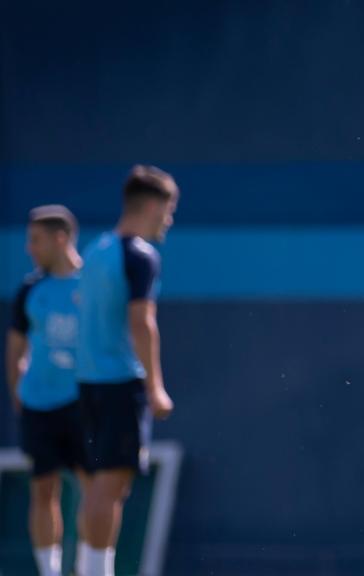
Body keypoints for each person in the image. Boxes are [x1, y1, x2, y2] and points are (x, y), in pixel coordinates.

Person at [76, 165, 178, 576]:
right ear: (152, 205)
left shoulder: (95, 250)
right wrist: (155, 387)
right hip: (120, 384)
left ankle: (88, 567)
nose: (169, 219)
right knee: (110, 486)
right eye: (168, 210)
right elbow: (142, 321)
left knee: (95, 486)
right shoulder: (140, 255)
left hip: (86, 386)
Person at [5, 205, 85, 576]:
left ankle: (93, 566)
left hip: (85, 406)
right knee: (43, 490)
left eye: (35, 240)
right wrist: (18, 393)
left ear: (61, 238)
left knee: (95, 488)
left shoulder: (94, 285)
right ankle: (49, 572)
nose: (30, 248)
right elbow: (16, 349)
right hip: (40, 406)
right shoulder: (30, 290)